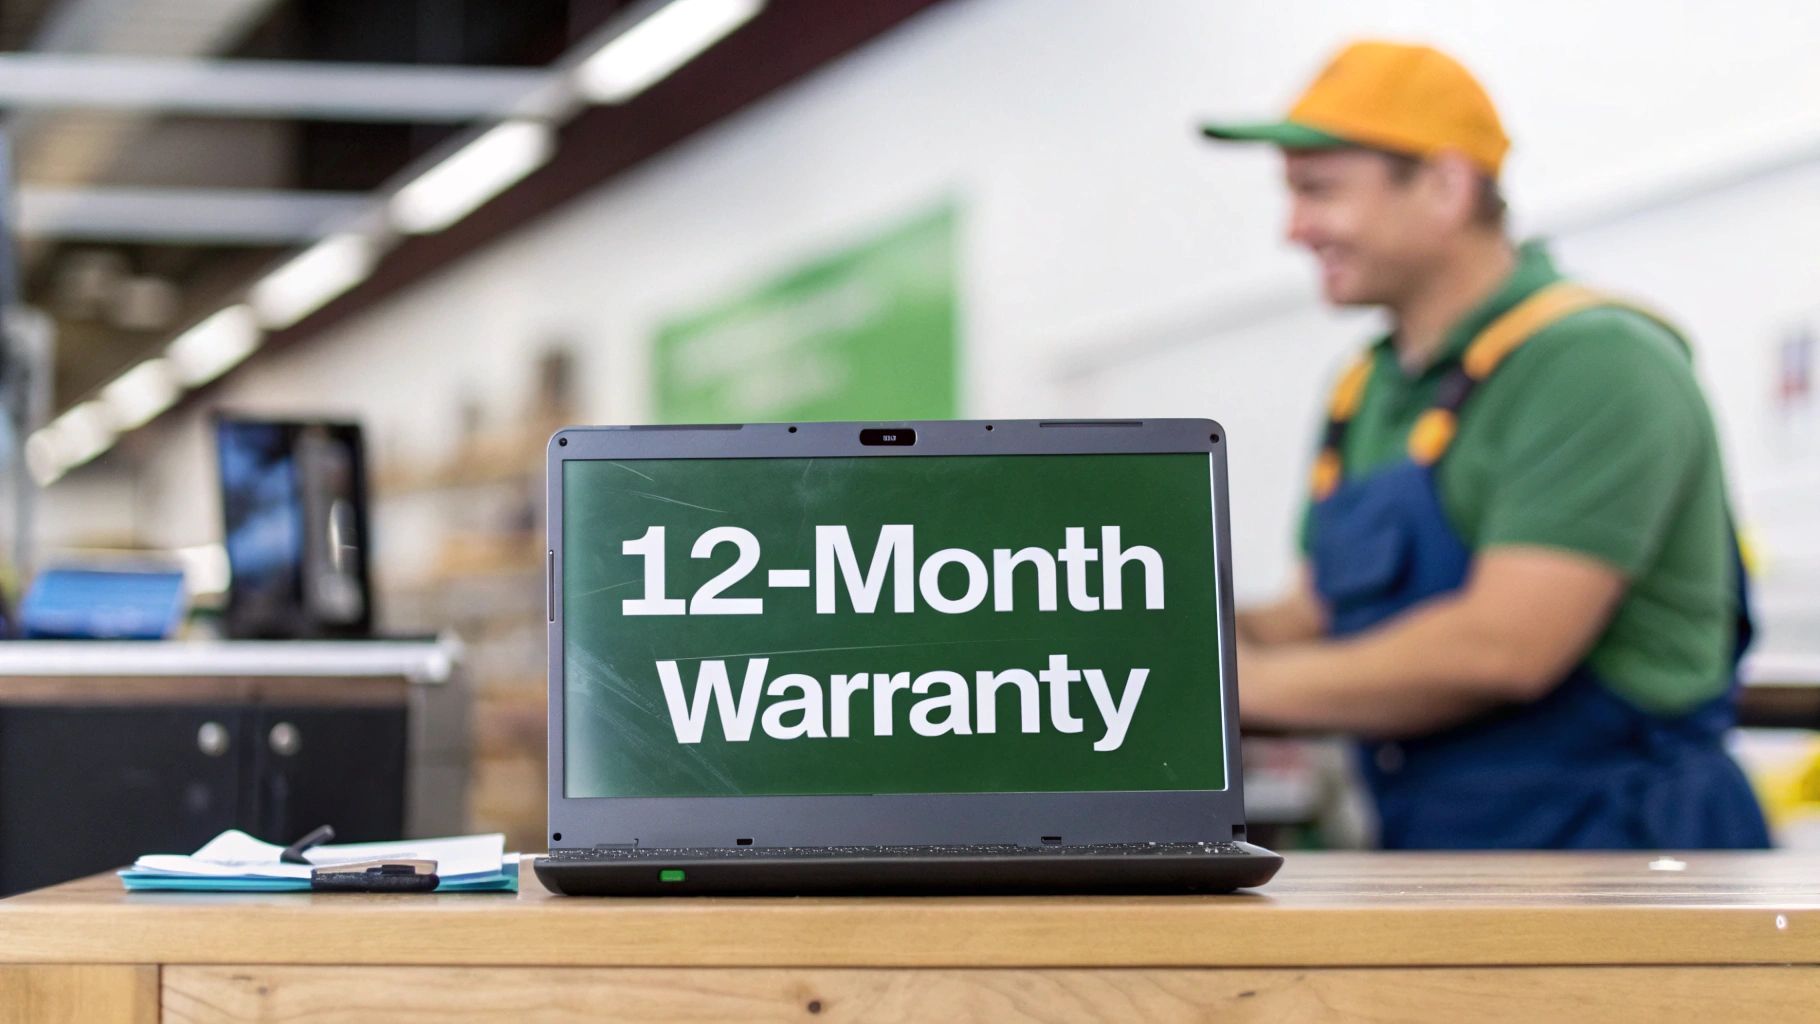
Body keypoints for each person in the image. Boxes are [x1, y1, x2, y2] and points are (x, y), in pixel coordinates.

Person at [1200, 40, 1770, 849]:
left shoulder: (1596, 361)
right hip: (1439, 850)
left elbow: (1503, 646)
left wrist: (1227, 690)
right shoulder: (1367, 388)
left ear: (1444, 185)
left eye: (1319, 192)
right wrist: (1152, 633)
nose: (1294, 230)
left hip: (1627, 859)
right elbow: (1318, 612)